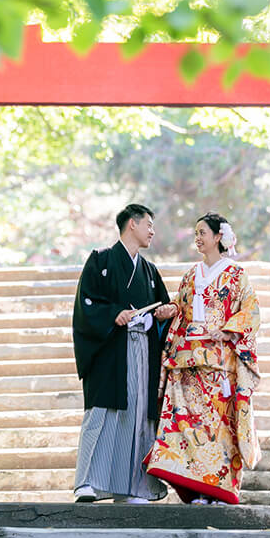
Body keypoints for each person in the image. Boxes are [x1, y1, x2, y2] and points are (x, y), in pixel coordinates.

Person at [144, 212, 261, 505]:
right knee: (189, 426)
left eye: (202, 233)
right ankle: (196, 489)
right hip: (187, 362)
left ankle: (218, 489)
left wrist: (229, 330)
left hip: (219, 364)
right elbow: (181, 305)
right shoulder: (190, 275)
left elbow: (250, 310)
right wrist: (170, 310)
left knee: (219, 429)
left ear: (219, 236)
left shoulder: (236, 275)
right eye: (195, 233)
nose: (197, 238)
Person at [71, 204, 178, 504]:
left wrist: (165, 314)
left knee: (138, 415)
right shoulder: (100, 261)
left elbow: (161, 308)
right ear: (132, 224)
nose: (152, 231)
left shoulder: (150, 271)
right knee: (103, 412)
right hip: (110, 351)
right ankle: (87, 482)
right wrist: (113, 314)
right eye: (149, 225)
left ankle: (133, 487)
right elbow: (87, 304)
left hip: (142, 349)